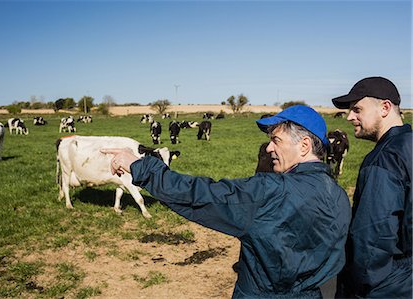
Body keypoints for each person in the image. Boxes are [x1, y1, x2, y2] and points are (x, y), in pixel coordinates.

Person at [102, 105, 351, 298]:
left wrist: (141, 166)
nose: (268, 149)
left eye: (276, 140)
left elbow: (200, 195)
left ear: (304, 145)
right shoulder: (338, 195)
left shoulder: (271, 191)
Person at [331, 76, 412, 298]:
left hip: (386, 288)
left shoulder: (384, 159)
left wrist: (355, 291)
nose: (349, 117)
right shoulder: (409, 145)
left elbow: (371, 242)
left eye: (357, 109)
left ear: (385, 107)